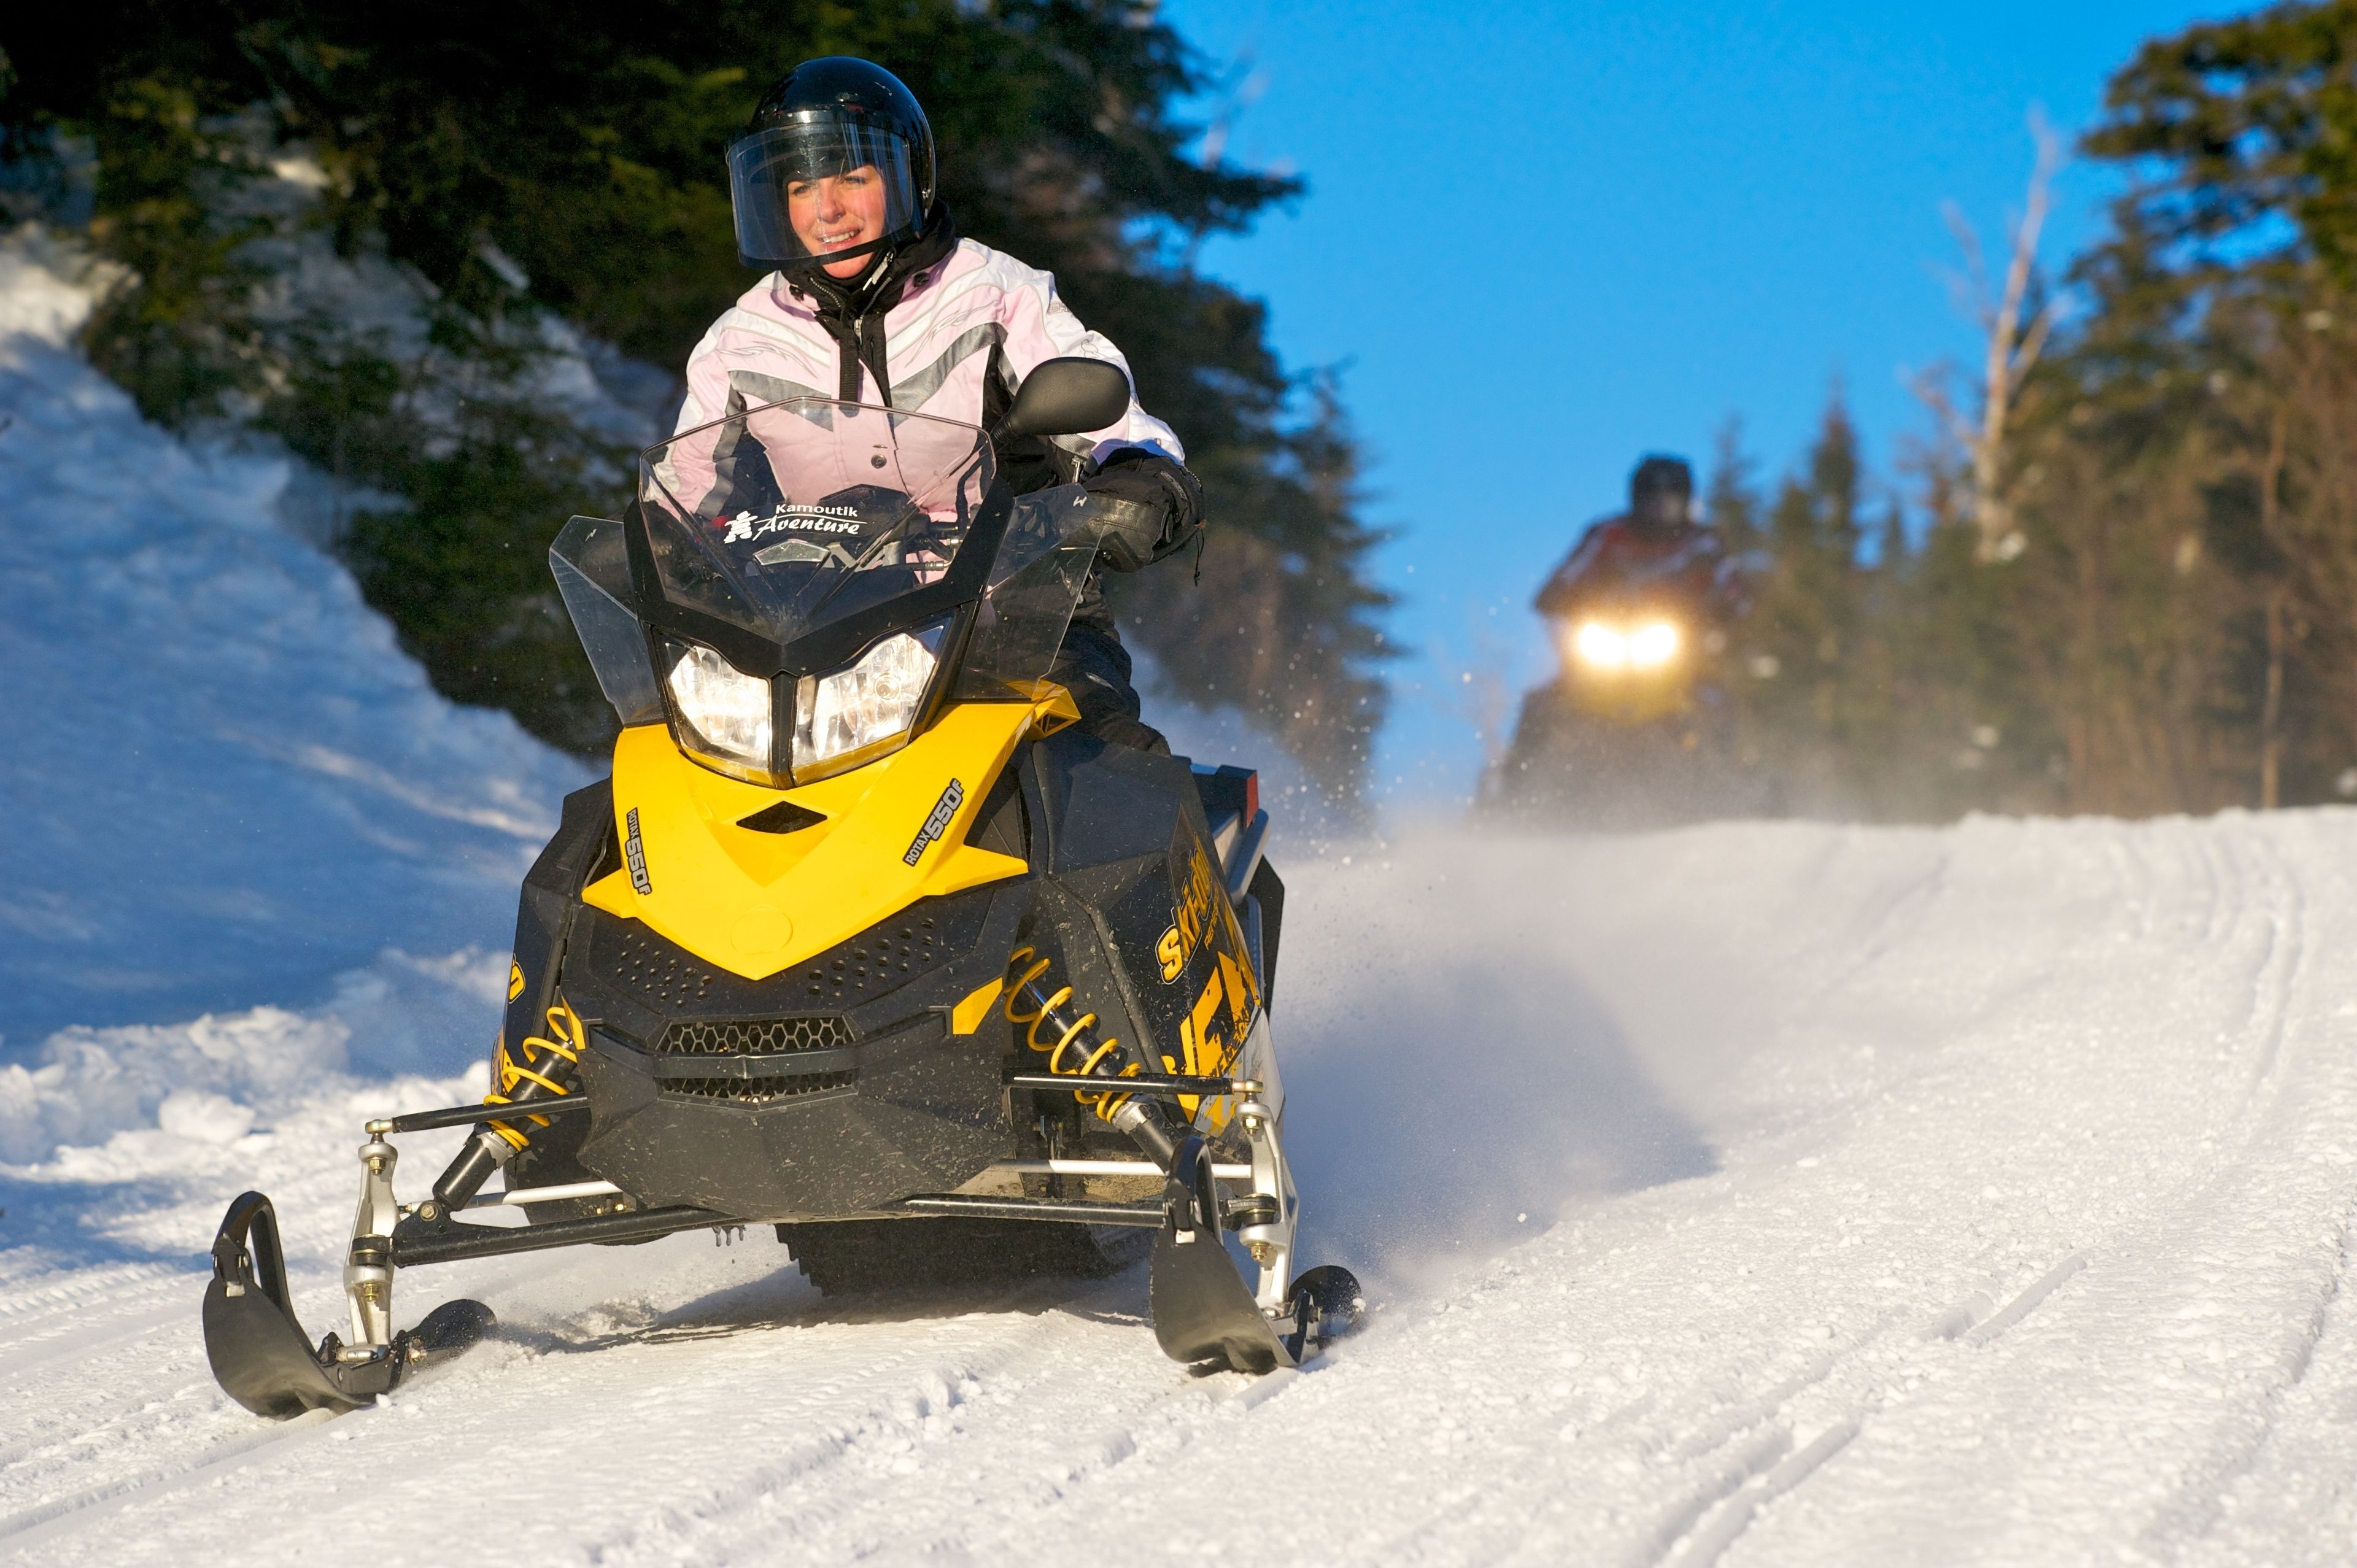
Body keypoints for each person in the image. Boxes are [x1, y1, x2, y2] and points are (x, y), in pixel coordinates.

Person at [676, 56, 1202, 753]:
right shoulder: (739, 343)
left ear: (907, 178)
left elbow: (1114, 420)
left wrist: (1142, 481)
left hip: (1015, 618)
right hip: (813, 645)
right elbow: (684, 501)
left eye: (852, 177)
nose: (826, 209)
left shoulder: (994, 295)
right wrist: (664, 555)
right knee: (667, 772)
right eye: (802, 186)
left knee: (1099, 766)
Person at [1533, 455, 1724, 622]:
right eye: (1652, 502)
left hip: (1688, 638)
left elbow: (1731, 586)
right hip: (1610, 628)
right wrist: (1558, 593)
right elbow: (1570, 573)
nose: (1660, 510)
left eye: (1670, 503)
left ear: (1685, 503)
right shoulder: (1608, 534)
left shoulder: (1703, 543)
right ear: (1637, 500)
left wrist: (1719, 612)